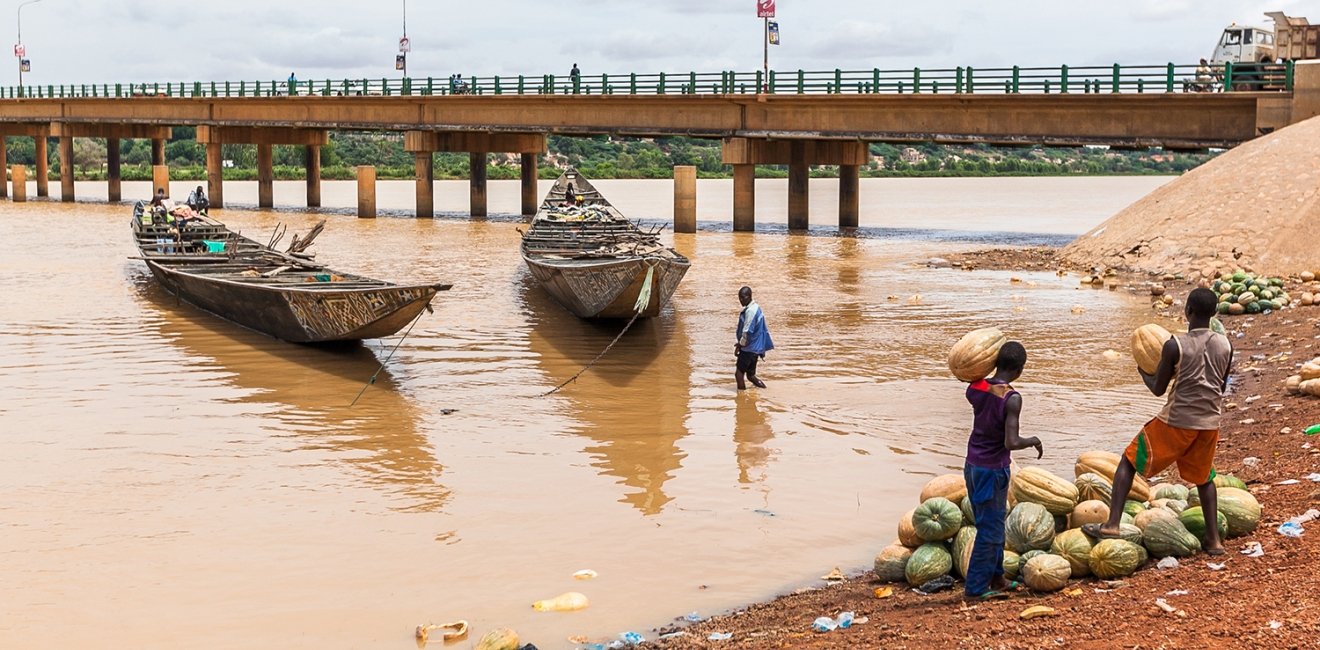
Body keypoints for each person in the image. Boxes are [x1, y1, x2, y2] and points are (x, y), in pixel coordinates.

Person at [1082, 288, 1233, 556]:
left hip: (1176, 420)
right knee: (1204, 478)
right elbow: (1219, 386)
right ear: (1214, 314)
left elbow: (1158, 388)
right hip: (1210, 422)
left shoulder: (1175, 344)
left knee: (1128, 461)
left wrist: (1143, 370)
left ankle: (1112, 524)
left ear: (1187, 311)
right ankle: (1213, 541)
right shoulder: (1225, 344)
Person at [962, 341, 1042, 600]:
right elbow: (1011, 442)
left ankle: (996, 577)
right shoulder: (1012, 398)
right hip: (993, 470)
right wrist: (1033, 440)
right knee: (990, 530)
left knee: (992, 523)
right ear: (1020, 369)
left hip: (972, 465)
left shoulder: (976, 388)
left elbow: (978, 385)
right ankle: (975, 589)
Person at [734, 286, 773, 390]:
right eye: (739, 298)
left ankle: (741, 402)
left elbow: (747, 332)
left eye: (743, 297)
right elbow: (762, 330)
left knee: (739, 374)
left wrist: (740, 345)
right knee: (750, 376)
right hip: (755, 349)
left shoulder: (751, 311)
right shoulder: (756, 308)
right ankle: (766, 391)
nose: (741, 300)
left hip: (748, 348)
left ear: (749, 296)